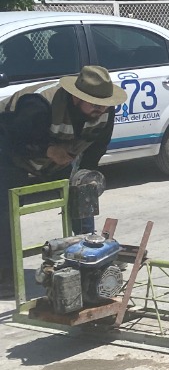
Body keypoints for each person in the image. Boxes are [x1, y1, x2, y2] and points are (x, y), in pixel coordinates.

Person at [0, 66, 125, 299]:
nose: (101, 109)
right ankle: (4, 273)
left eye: (104, 104)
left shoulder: (104, 112)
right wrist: (48, 150)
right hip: (7, 150)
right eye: (94, 104)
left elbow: (94, 151)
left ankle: (89, 255)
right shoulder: (38, 106)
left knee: (82, 190)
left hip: (52, 158)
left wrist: (86, 179)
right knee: (3, 208)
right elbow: (11, 139)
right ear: (76, 97)